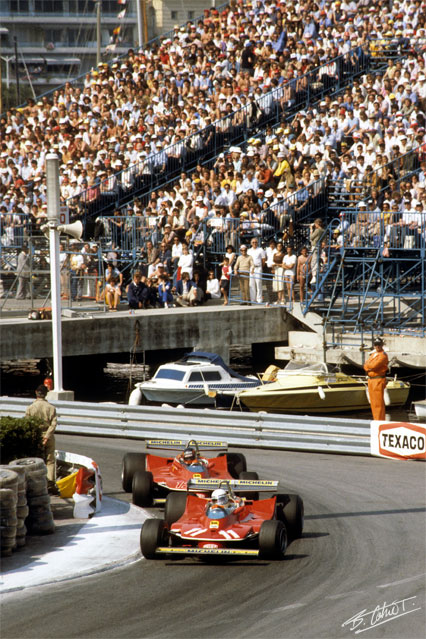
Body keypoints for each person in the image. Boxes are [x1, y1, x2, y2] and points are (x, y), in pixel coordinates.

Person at [25, 384, 57, 492]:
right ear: (46, 394)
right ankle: (50, 482)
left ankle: (36, 484)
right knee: (50, 460)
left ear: (36, 393)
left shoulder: (30, 408)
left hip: (36, 436)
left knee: (35, 460)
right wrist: (47, 437)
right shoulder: (51, 408)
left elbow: (28, 424)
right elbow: (53, 424)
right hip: (48, 435)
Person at [363, 337, 389, 421]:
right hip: (371, 380)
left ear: (382, 345)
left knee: (378, 403)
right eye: (376, 345)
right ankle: (376, 419)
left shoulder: (383, 355)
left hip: (378, 380)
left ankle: (379, 420)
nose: (377, 346)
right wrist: (369, 367)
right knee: (373, 402)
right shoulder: (373, 354)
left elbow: (373, 365)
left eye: (379, 345)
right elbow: (365, 365)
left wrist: (369, 366)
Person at [247, 237, 266, 304]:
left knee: (258, 283)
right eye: (253, 242)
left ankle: (259, 299)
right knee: (251, 284)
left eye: (256, 242)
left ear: (257, 243)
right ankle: (253, 299)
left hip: (258, 267)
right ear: (251, 243)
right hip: (251, 268)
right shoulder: (249, 251)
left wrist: (260, 267)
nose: (254, 243)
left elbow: (263, 260)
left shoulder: (260, 250)